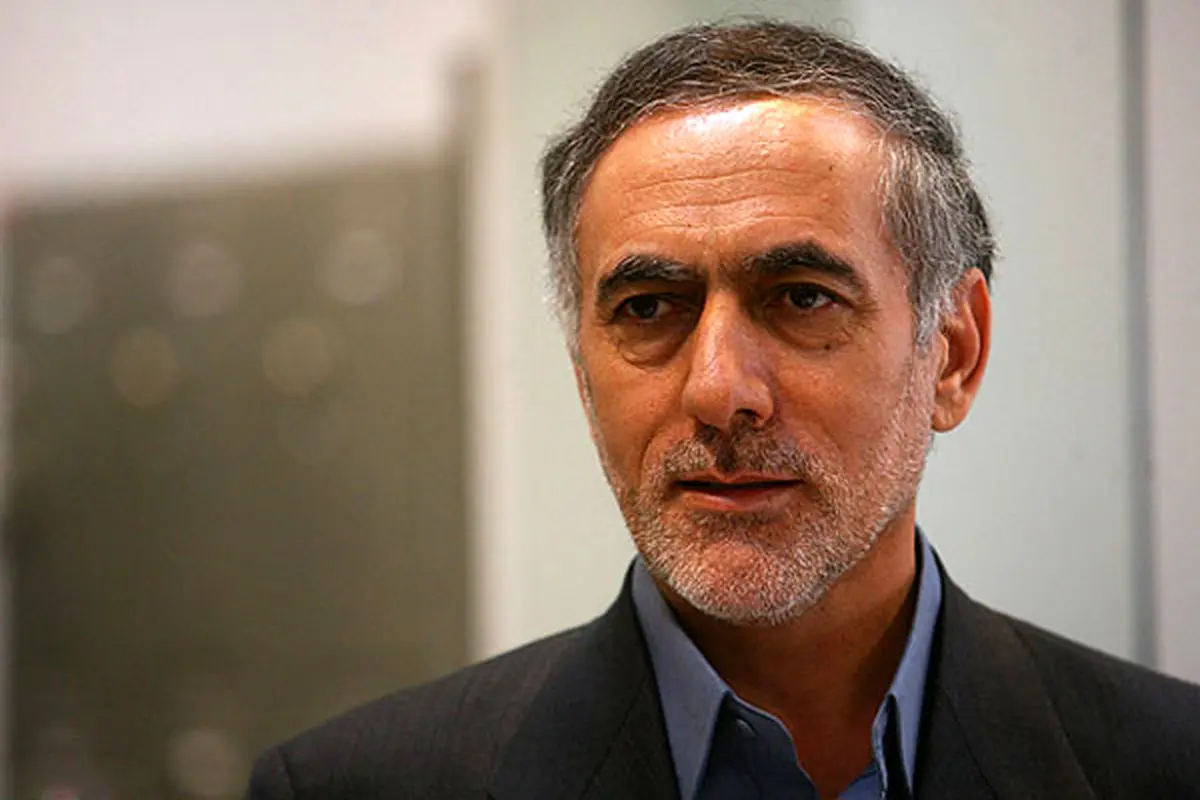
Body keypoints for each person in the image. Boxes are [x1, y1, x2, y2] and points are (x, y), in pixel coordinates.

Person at [246, 20, 1200, 799]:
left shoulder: (1168, 765)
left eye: (801, 297)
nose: (717, 389)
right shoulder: (354, 787)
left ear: (953, 352)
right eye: (647, 309)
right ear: (582, 373)